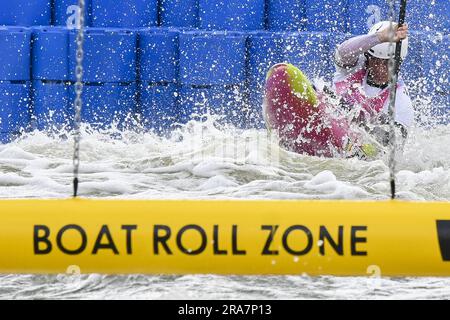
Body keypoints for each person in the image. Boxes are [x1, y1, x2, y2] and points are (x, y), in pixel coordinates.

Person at [332, 21, 414, 156]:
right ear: (367, 57)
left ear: (398, 63)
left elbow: (391, 148)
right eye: (376, 60)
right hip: (327, 128)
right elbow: (342, 53)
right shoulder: (353, 67)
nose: (380, 68)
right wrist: (379, 38)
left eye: (388, 63)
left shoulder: (400, 101)